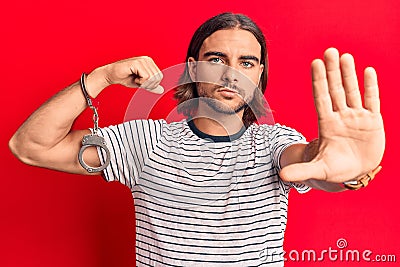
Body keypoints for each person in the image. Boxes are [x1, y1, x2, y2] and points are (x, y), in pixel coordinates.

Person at [9, 12, 384, 266]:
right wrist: (101, 77)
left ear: (259, 75)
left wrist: (346, 170)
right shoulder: (145, 142)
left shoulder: (273, 144)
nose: (231, 75)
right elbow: (29, 147)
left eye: (247, 62)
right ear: (192, 68)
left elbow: (308, 162)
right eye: (217, 60)